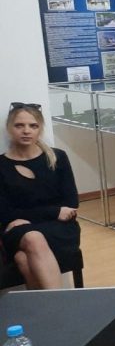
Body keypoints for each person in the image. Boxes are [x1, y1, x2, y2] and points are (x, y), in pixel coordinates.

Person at [0, 103, 80, 290]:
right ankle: (59, 304)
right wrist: (55, 211)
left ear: (40, 129)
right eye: (19, 125)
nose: (26, 131)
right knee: (33, 238)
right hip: (19, 232)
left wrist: (26, 216)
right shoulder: (1, 165)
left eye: (33, 126)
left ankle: (47, 307)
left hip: (59, 229)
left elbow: (71, 203)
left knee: (23, 257)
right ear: (9, 128)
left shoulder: (58, 157)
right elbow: (5, 213)